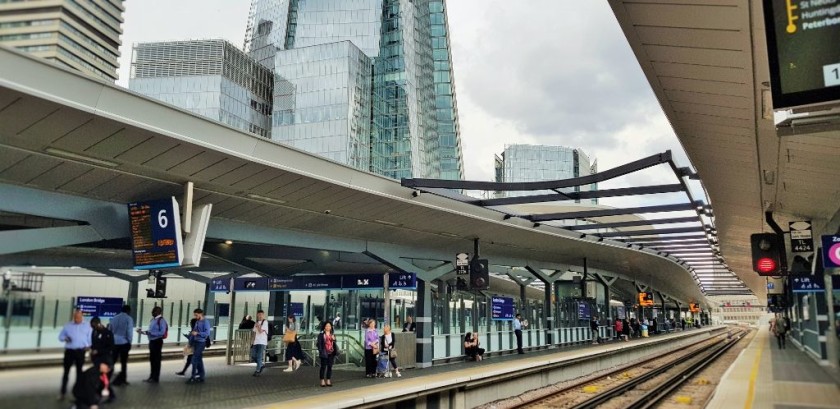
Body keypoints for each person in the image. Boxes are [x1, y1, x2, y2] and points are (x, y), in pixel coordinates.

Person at [58, 308, 91, 401]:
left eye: (79, 317)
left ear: (82, 317)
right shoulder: (68, 326)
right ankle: (62, 392)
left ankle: (78, 393)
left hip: (81, 351)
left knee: (79, 373)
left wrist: (88, 347)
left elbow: (90, 339)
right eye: (76, 317)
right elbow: (60, 337)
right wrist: (65, 338)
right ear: (73, 317)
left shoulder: (87, 326)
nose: (77, 319)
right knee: (66, 372)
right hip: (69, 351)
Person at [137, 306, 167, 383]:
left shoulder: (161, 321)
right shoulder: (153, 320)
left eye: (154, 311)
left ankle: (155, 378)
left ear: (158, 312)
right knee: (152, 359)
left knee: (156, 360)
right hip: (152, 342)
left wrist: (151, 333)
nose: (152, 313)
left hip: (157, 342)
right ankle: (151, 376)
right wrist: (143, 332)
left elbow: (162, 332)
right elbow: (150, 331)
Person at [108, 305, 133, 386]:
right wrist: (129, 341)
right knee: (123, 362)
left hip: (114, 343)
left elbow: (110, 330)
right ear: (128, 311)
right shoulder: (129, 318)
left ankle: (107, 378)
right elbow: (129, 332)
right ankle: (123, 379)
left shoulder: (114, 318)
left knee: (112, 361)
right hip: (124, 342)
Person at [187, 308, 211, 383]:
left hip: (201, 342)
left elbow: (207, 333)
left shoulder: (205, 322)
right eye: (194, 315)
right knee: (199, 360)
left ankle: (193, 376)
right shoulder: (197, 321)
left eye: (196, 315)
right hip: (195, 342)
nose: (195, 317)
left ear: (200, 314)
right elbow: (193, 332)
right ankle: (201, 376)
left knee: (194, 359)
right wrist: (190, 343)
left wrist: (198, 333)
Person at [317, 321, 339, 387]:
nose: (328, 327)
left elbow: (334, 342)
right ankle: (322, 380)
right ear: (324, 327)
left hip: (331, 352)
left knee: (330, 366)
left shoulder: (332, 334)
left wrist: (334, 339)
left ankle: (328, 379)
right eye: (326, 326)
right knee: (323, 367)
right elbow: (319, 344)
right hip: (324, 352)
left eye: (329, 326)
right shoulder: (321, 335)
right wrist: (320, 351)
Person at [251, 310, 269, 376]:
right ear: (257, 315)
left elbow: (260, 331)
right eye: (259, 314)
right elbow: (254, 332)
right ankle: (261, 365)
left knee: (259, 356)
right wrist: (252, 342)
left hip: (262, 342)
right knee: (253, 356)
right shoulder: (256, 322)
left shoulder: (265, 322)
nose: (260, 316)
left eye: (261, 314)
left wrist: (258, 326)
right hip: (256, 342)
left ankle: (257, 370)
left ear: (263, 315)